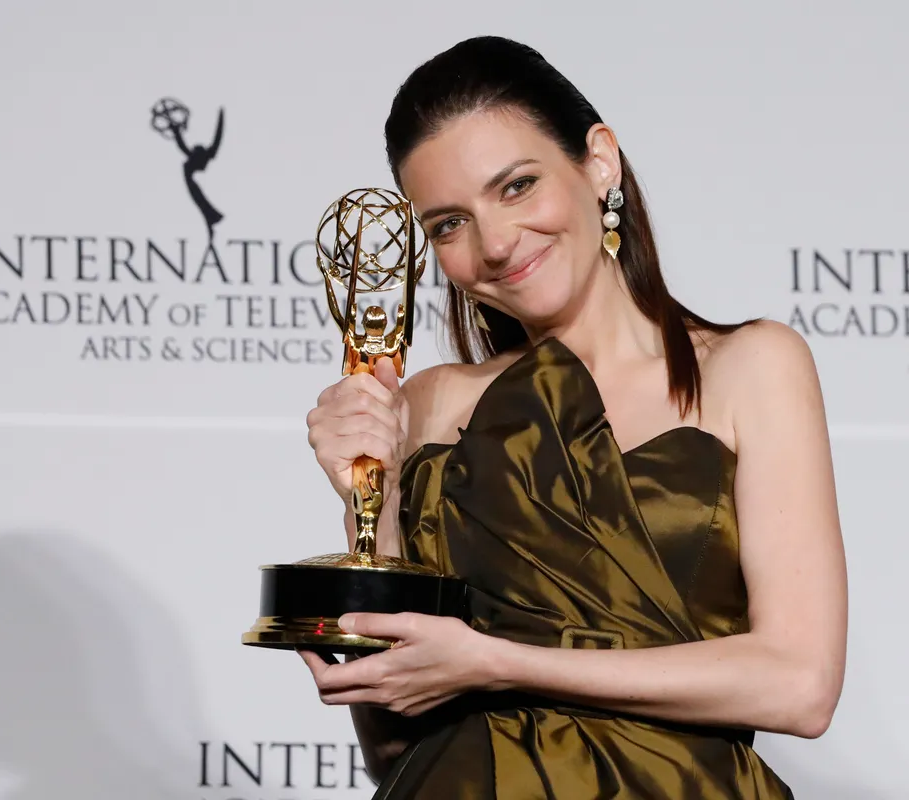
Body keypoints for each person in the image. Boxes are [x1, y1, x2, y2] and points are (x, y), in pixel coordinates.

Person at [299, 35, 847, 799]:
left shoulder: (748, 366)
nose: (495, 244)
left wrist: (497, 663)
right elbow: (393, 745)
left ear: (598, 163)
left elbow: (800, 686)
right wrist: (369, 498)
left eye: (517, 186)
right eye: (449, 224)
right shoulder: (428, 402)